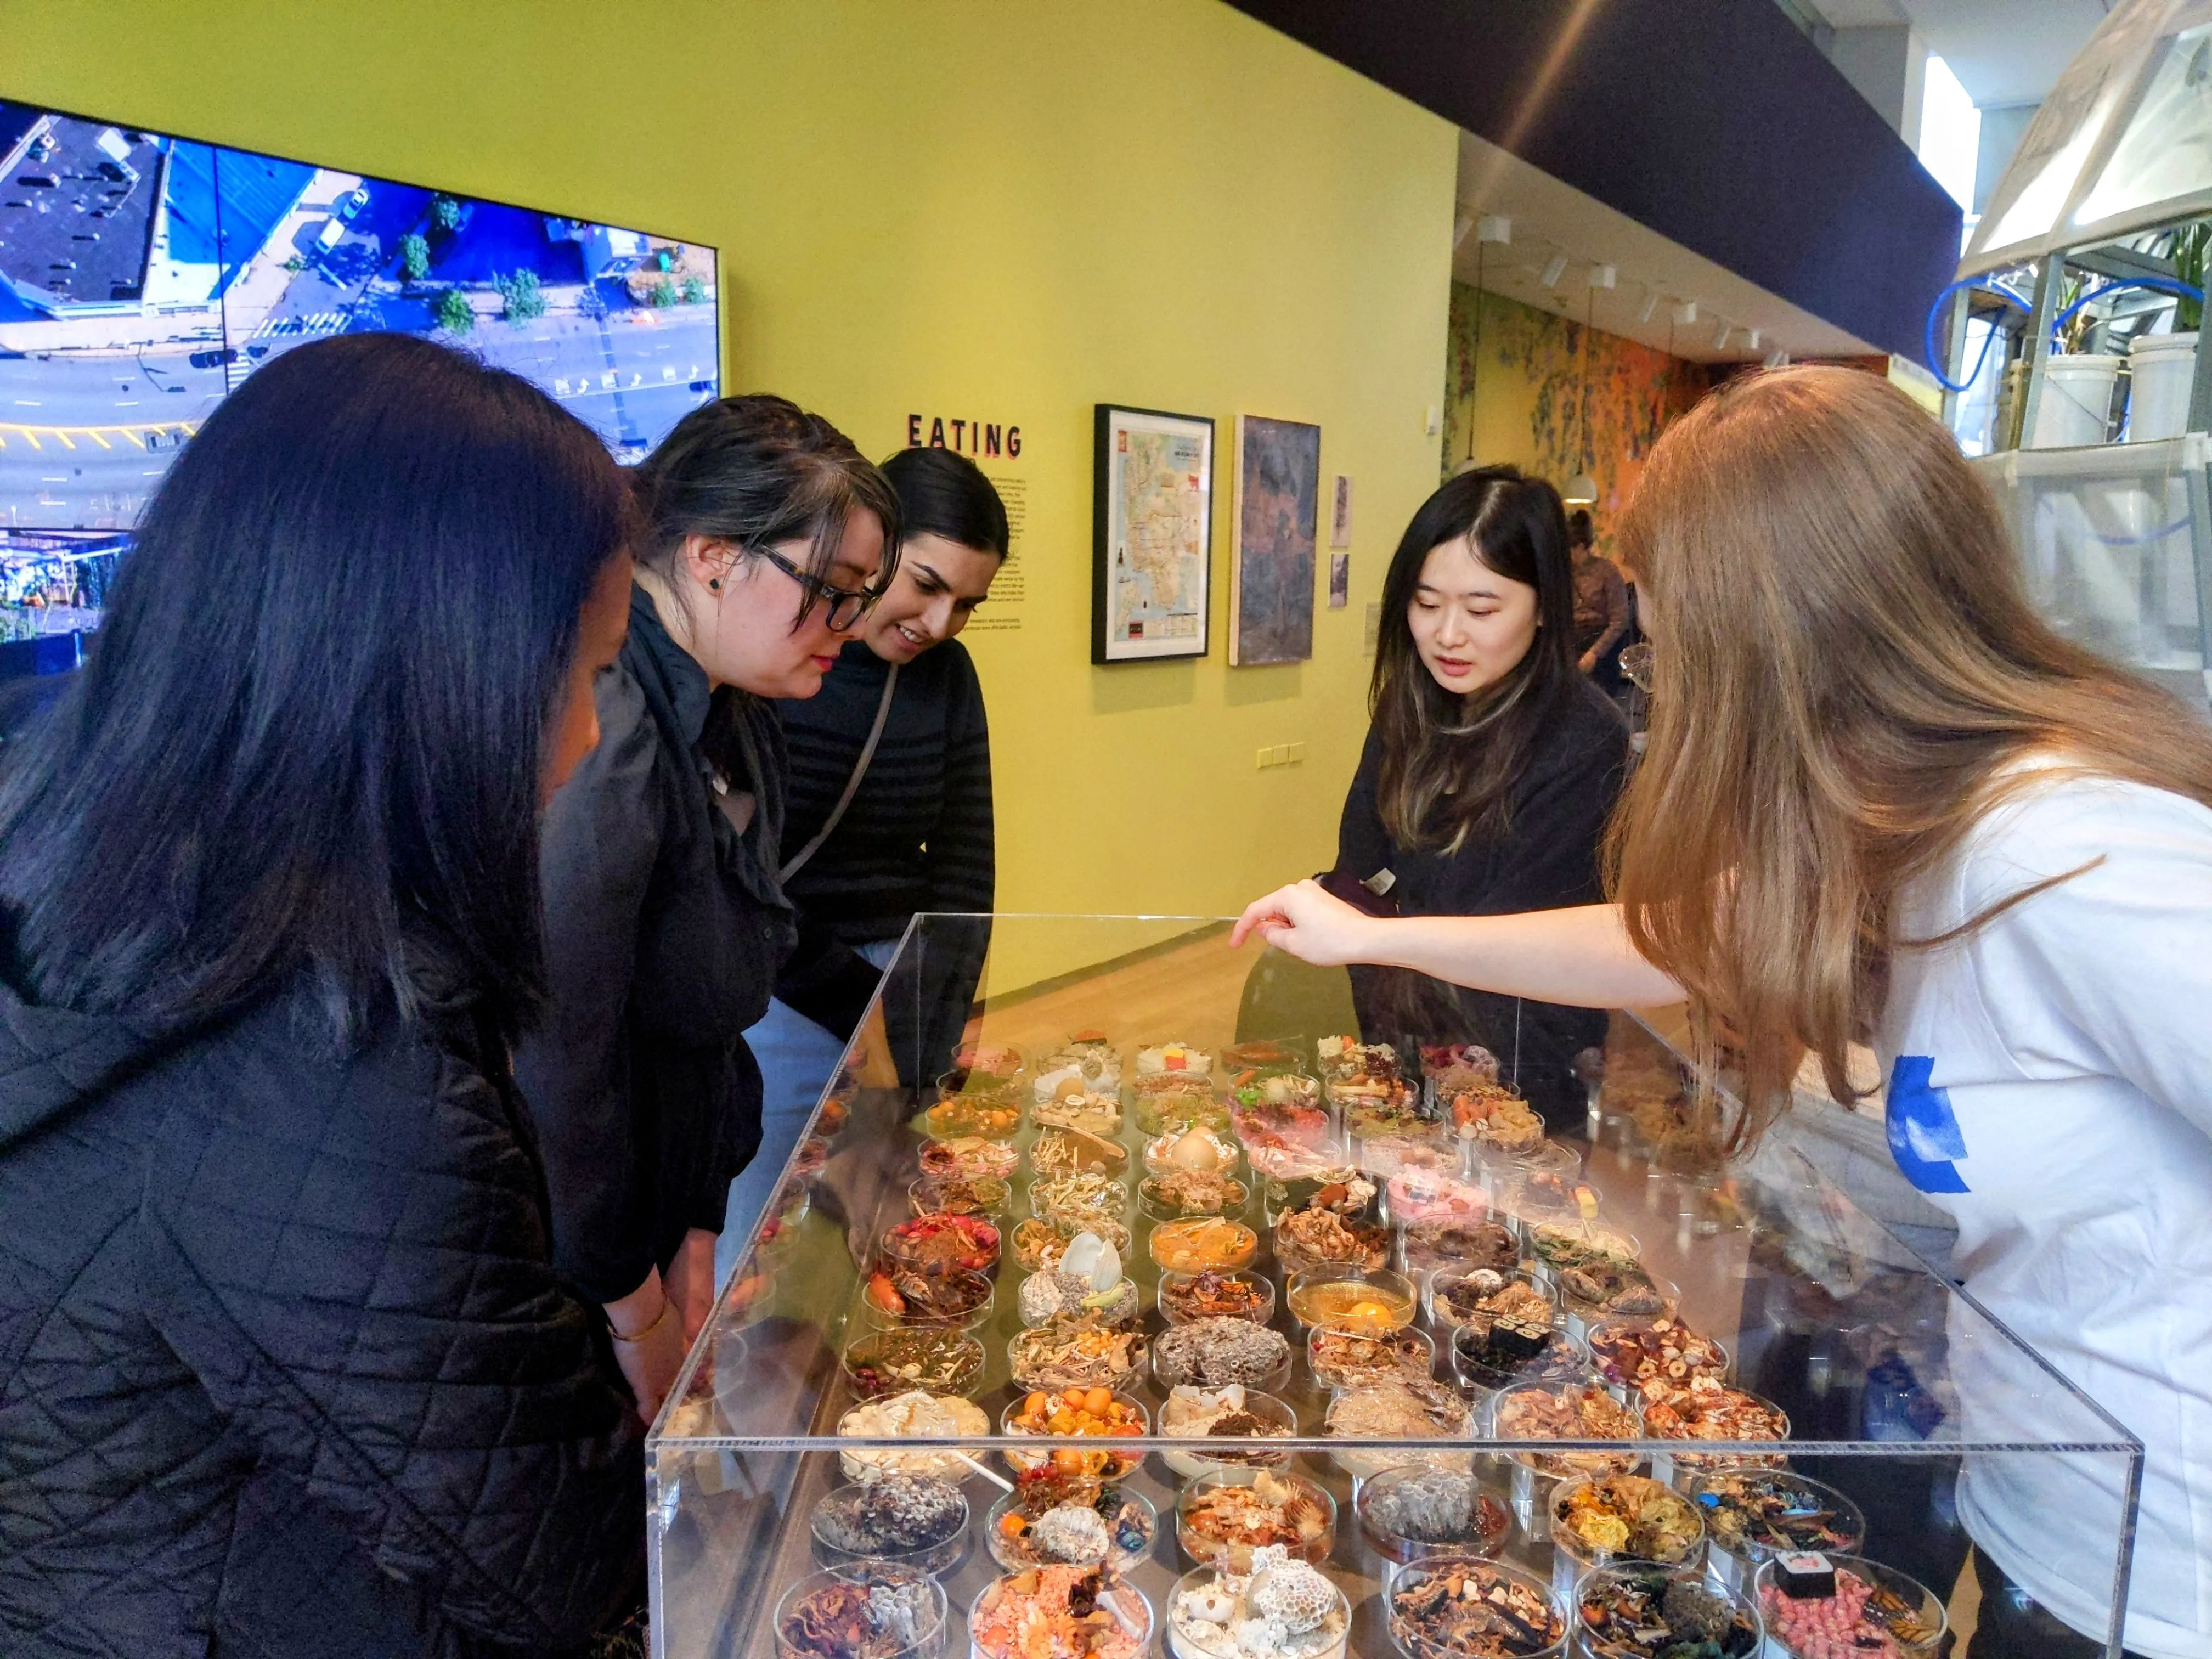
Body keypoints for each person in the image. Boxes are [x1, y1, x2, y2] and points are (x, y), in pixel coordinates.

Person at [1234, 365, 2209, 1659]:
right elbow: (1672, 938)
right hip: (2038, 1505)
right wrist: (1376, 932)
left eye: (1674, 632)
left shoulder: (2068, 853)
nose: (1655, 668)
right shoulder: (1906, 822)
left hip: (2163, 1562)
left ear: (1791, 633)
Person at [0, 334, 645, 1657]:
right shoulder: (331, 1074)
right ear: (438, 678)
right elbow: (561, 1558)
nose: (585, 740)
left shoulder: (75, 859)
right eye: (582, 679)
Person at [515, 395, 898, 1418]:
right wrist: (635, 1305)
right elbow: (560, 1061)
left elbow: (729, 958)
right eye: (832, 592)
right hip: (572, 1245)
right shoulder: (613, 733)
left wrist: (693, 1220)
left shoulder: (734, 705)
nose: (848, 630)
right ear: (713, 556)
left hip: (659, 1189)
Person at [733, 446, 1006, 1259]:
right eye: (925, 584)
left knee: (882, 1229)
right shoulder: (774, 663)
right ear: (872, 549)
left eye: (966, 605)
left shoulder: (948, 676)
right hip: (779, 990)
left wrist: (937, 1018)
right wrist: (870, 1023)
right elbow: (744, 878)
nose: (938, 624)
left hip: (896, 989)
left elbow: (966, 859)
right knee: (759, 1239)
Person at [1332, 465, 1627, 1130]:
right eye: (1427, 604)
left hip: (1524, 1069)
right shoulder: (1411, 706)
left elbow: (1516, 940)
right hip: (1404, 1041)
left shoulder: (1584, 738)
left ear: (1546, 603)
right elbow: (1362, 870)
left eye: (1482, 609)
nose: (1446, 635)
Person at [1567, 506, 1629, 690]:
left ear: (1580, 547)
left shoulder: (1607, 572)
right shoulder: (1564, 573)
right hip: (1573, 638)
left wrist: (1594, 653)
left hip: (1602, 641)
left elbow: (1620, 620)